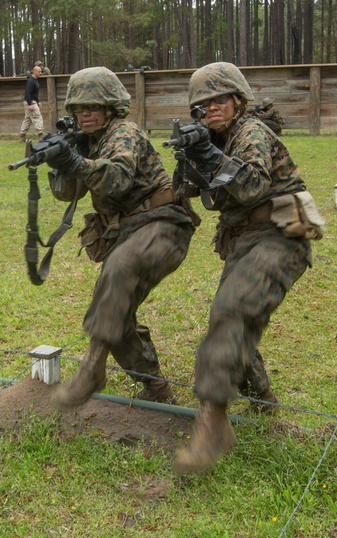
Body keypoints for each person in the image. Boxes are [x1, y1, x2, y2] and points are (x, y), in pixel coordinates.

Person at [172, 62, 322, 473]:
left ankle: (214, 421)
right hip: (244, 238)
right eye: (202, 105)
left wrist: (206, 152)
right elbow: (183, 191)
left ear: (238, 101)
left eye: (219, 99)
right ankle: (263, 401)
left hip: (281, 235)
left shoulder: (251, 132)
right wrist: (189, 155)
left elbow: (253, 185)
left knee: (232, 312)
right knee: (232, 314)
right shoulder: (213, 137)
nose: (211, 108)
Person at [45, 67, 199, 412]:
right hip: (130, 230)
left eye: (92, 107)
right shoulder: (89, 141)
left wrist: (75, 160)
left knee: (117, 273)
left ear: (111, 107)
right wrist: (60, 161)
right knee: (114, 307)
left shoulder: (123, 132)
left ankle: (92, 370)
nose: (84, 114)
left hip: (164, 224)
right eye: (78, 109)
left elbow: (116, 179)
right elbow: (66, 193)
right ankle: (155, 386)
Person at [20, 66, 44, 141]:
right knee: (37, 117)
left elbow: (34, 93)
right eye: (39, 72)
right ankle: (41, 134)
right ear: (34, 72)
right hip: (30, 102)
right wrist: (29, 104)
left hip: (33, 101)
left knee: (27, 119)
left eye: (41, 72)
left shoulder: (35, 80)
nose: (40, 73)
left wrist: (38, 101)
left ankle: (22, 135)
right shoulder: (31, 81)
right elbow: (27, 93)